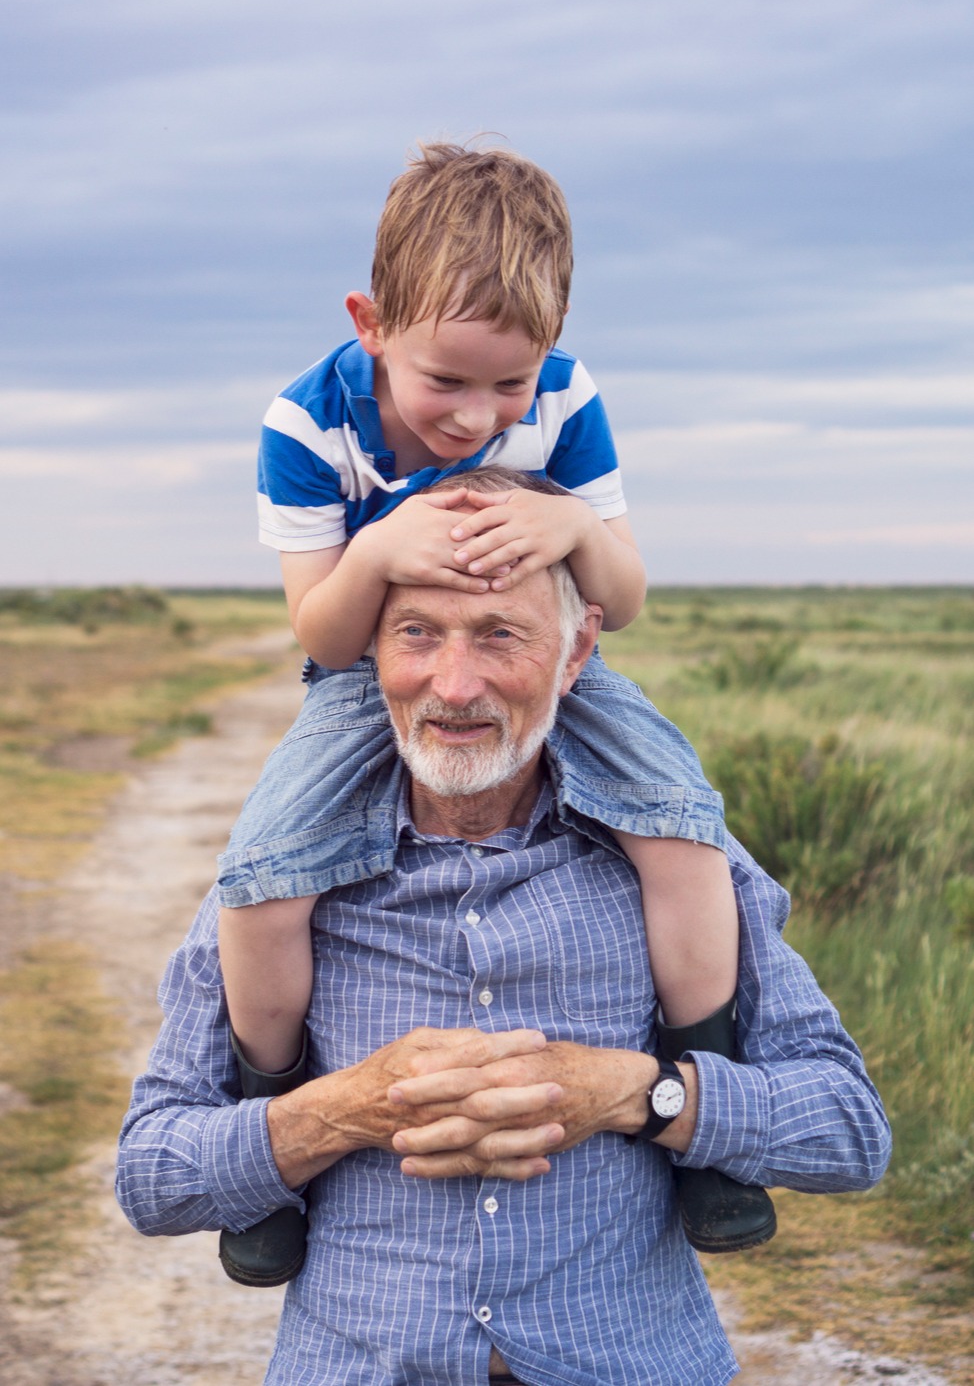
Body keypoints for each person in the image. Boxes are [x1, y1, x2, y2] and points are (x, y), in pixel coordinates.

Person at [117, 550, 891, 1386]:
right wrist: (341, 1111)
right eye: (416, 634)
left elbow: (849, 1130)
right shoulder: (278, 876)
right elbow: (152, 1175)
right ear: (369, 650)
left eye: (501, 636)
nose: (454, 685)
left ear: (577, 650)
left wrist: (641, 1093)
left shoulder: (684, 862)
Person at [216, 141, 760, 1285]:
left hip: (556, 657)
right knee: (265, 872)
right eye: (445, 382)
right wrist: (378, 551)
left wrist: (572, 532)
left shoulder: (568, 397)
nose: (477, 416)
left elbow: (625, 597)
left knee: (681, 825)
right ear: (370, 322)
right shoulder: (306, 424)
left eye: (507, 383)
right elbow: (318, 631)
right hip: (368, 674)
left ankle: (705, 1102)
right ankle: (272, 1132)